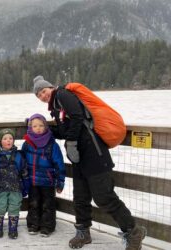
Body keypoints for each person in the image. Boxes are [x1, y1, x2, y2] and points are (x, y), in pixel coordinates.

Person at [33, 75, 146, 249]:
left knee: (104, 196)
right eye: (39, 95)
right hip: (79, 156)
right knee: (80, 197)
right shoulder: (55, 108)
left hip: (94, 153)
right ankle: (83, 232)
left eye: (43, 91)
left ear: (50, 87)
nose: (42, 95)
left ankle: (133, 231)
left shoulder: (62, 95)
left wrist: (71, 142)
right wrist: (43, 130)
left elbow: (78, 117)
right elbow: (65, 129)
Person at [21, 113, 65, 237]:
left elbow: (59, 164)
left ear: (46, 126)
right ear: (30, 128)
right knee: (33, 203)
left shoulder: (52, 145)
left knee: (48, 204)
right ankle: (33, 225)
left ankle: (47, 226)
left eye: (41, 125)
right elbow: (22, 161)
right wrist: (22, 178)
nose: (38, 128)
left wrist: (60, 181)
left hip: (48, 182)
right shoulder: (27, 143)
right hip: (32, 181)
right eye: (35, 126)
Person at [0, 128, 30, 239]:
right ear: (0, 141)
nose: (8, 141)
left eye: (10, 138)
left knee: (14, 207)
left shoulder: (19, 156)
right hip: (0, 188)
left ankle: (13, 229)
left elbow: (24, 172)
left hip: (16, 188)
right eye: (5, 138)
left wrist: (26, 186)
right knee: (0, 207)